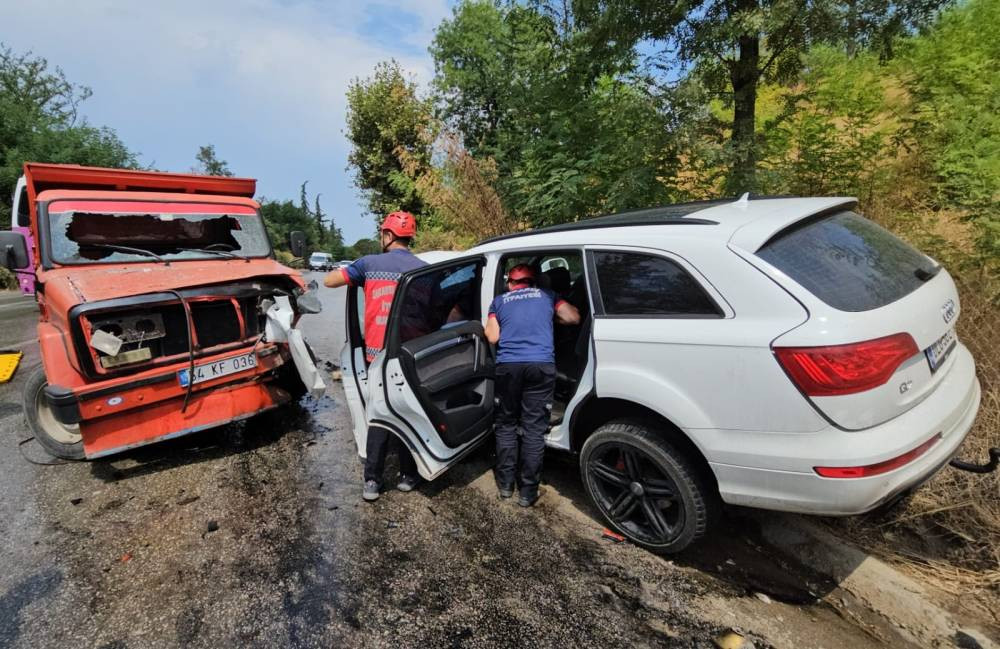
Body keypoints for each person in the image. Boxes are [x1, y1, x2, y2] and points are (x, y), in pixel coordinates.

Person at [324, 211, 426, 502]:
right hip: (409, 357)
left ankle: (372, 481)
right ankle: (408, 475)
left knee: (379, 414)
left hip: (376, 357)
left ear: (388, 235)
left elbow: (331, 281)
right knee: (407, 412)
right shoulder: (423, 270)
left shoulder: (369, 264)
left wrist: (360, 279)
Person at [485, 264, 580, 507]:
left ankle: (505, 486)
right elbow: (573, 317)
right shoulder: (548, 296)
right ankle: (528, 492)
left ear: (510, 283)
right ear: (533, 282)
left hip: (509, 367)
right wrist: (551, 318)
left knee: (506, 425)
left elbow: (493, 337)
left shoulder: (499, 301)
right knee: (533, 430)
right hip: (540, 366)